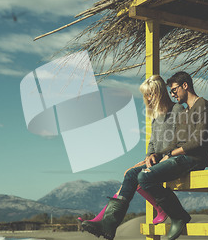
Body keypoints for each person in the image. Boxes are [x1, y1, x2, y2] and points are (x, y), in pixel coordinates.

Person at [82, 71, 208, 240]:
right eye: (170, 91)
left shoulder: (203, 106)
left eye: (174, 90)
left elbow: (199, 141)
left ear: (185, 86)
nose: (172, 94)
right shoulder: (186, 112)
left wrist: (170, 154)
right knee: (132, 174)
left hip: (193, 159)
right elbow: (175, 141)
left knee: (145, 178)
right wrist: (157, 154)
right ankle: (109, 224)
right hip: (177, 156)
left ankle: (178, 215)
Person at [79, 75, 184, 229]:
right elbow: (153, 143)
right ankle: (101, 221)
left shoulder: (177, 110)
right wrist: (149, 156)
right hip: (158, 160)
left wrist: (159, 155)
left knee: (132, 175)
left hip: (172, 160)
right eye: (146, 95)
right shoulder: (156, 117)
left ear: (161, 92)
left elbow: (180, 140)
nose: (149, 98)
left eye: (151, 93)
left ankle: (106, 222)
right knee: (130, 173)